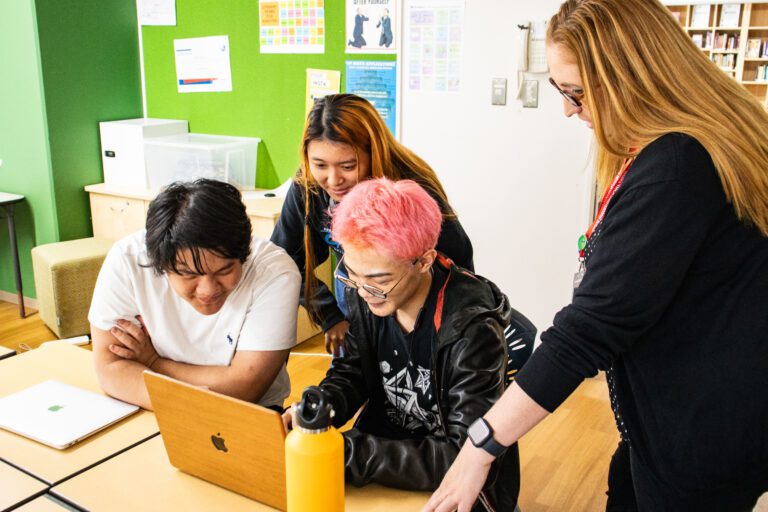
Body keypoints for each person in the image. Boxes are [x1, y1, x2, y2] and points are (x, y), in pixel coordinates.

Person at [425, 0, 768, 511]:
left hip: (698, 433)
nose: (568, 110)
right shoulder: (689, 147)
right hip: (684, 415)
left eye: (577, 94)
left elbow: (586, 332)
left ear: (635, 76)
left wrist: (482, 445)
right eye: (561, 92)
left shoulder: (675, 167)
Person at [283, 178, 520, 510]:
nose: (363, 292)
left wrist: (349, 453)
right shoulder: (365, 293)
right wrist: (320, 409)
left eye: (379, 280)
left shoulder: (472, 330)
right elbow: (353, 372)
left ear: (423, 261)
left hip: (453, 479)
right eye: (351, 273)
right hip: (386, 455)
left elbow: (461, 454)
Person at [270, 93, 473, 356]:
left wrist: (441, 332)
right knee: (354, 372)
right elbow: (283, 258)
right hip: (356, 289)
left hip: (412, 301)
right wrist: (329, 315)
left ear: (373, 153)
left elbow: (458, 263)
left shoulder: (410, 192)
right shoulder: (307, 186)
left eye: (348, 165)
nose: (333, 180)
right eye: (319, 164)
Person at [89, 179, 301, 411]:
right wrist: (181, 399)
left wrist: (152, 363)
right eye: (188, 274)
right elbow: (110, 366)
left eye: (224, 270)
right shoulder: (128, 260)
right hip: (148, 408)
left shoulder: (275, 272)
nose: (208, 290)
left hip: (248, 413)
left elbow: (244, 387)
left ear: (245, 253)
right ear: (158, 262)